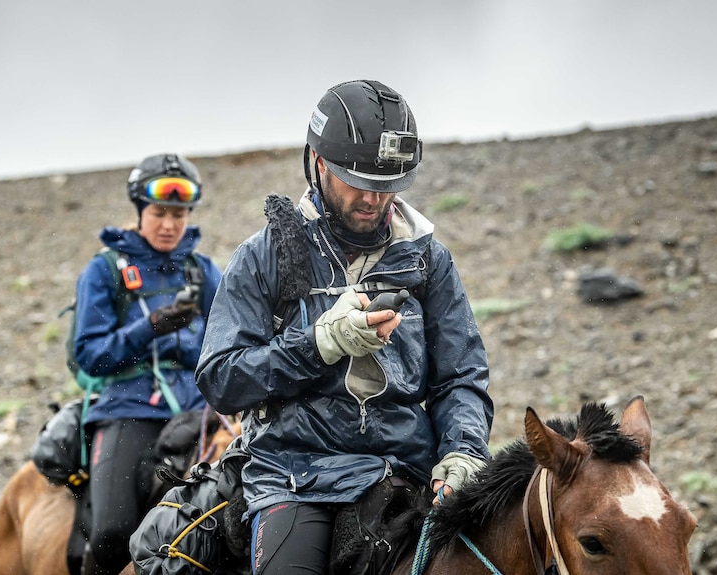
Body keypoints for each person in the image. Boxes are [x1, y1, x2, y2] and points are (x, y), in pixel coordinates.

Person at [196, 80, 494, 574]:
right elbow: (222, 380)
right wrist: (319, 344)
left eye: (387, 184)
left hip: (405, 475)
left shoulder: (429, 261)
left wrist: (463, 453)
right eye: (357, 180)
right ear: (316, 162)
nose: (373, 198)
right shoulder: (261, 257)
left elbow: (460, 377)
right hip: (294, 475)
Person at [73, 153, 222, 575]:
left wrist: (185, 348)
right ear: (140, 210)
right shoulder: (104, 271)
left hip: (199, 411)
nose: (170, 224)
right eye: (159, 213)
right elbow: (89, 354)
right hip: (128, 409)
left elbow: (229, 347)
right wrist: (149, 328)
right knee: (112, 533)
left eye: (179, 214)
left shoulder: (203, 271)